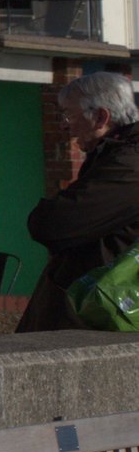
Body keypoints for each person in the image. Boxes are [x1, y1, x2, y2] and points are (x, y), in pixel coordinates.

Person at [18, 70, 139, 333]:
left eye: (70, 115)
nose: (65, 126)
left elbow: (51, 224)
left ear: (101, 117)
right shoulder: (114, 156)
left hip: (100, 312)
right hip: (92, 308)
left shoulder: (129, 165)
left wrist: (47, 210)